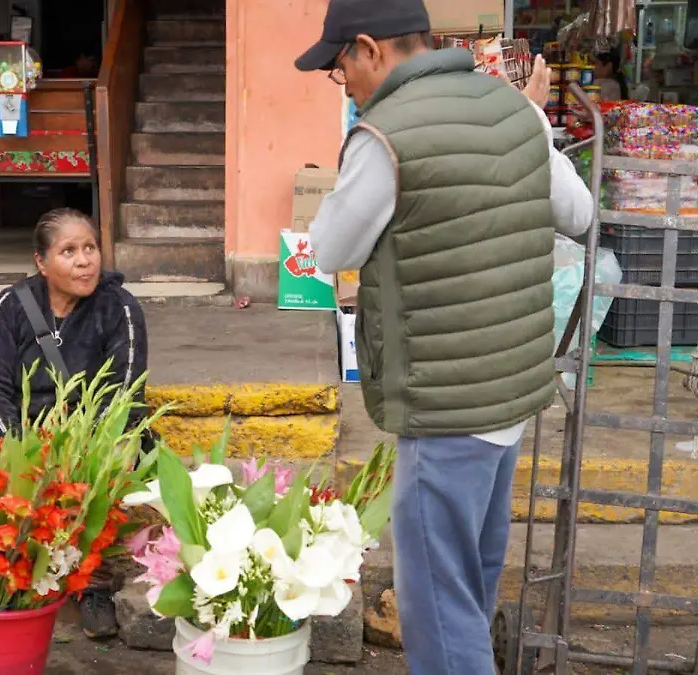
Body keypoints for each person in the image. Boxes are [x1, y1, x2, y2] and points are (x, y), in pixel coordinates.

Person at [295, 0, 595, 672]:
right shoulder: (515, 111)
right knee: (468, 586)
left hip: (445, 402)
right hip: (509, 396)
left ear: (370, 48)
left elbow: (330, 249)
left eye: (341, 68)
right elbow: (579, 212)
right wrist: (530, 129)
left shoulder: (384, 136)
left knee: (437, 609)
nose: (346, 85)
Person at [0, 207, 149, 640]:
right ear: (41, 262)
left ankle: (92, 583)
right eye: (68, 251)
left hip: (94, 430)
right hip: (24, 430)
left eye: (90, 248)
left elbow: (125, 393)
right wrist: (19, 448)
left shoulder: (119, 307)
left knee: (106, 465)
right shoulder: (11, 305)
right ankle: (14, 572)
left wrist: (87, 449)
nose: (84, 261)